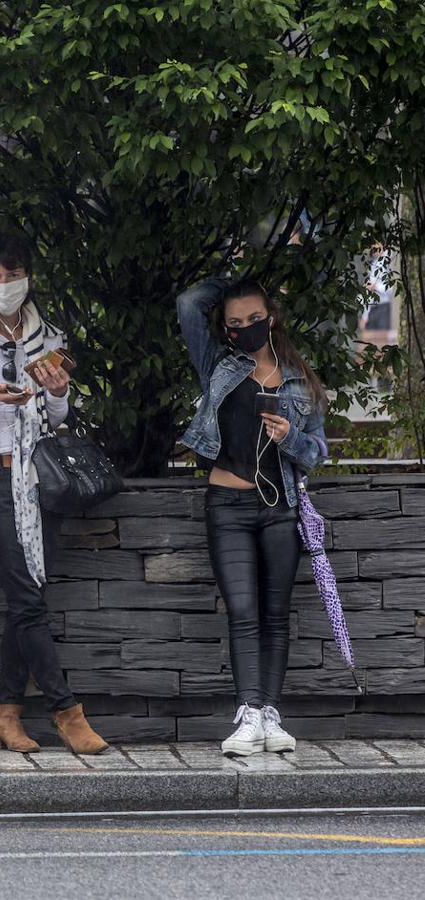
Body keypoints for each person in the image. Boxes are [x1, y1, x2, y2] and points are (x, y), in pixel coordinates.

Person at [0, 233, 108, 755]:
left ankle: (5, 715)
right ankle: (66, 710)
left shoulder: (48, 335)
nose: (3, 283)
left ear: (27, 275)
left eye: (12, 273)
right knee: (29, 601)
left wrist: (57, 394)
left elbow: (56, 420)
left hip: (36, 482)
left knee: (25, 601)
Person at [178, 277, 329, 757]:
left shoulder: (299, 382)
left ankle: (270, 713)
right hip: (228, 505)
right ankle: (247, 714)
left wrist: (290, 438)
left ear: (271, 318)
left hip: (279, 508)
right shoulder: (219, 366)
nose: (245, 329)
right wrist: (238, 282)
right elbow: (188, 303)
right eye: (235, 323)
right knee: (242, 612)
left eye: (254, 319)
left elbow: (318, 453)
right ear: (224, 328)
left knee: (274, 615)